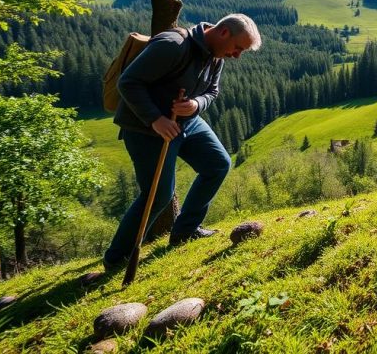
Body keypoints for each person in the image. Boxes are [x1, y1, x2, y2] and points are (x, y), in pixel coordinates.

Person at [103, 13, 261, 270]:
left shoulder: (215, 54)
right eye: (237, 48)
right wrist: (155, 118)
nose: (237, 55)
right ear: (223, 33)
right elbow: (128, 82)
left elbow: (212, 90)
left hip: (186, 122)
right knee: (158, 195)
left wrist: (196, 104)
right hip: (147, 129)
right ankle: (116, 258)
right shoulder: (172, 45)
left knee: (218, 164)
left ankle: (185, 231)